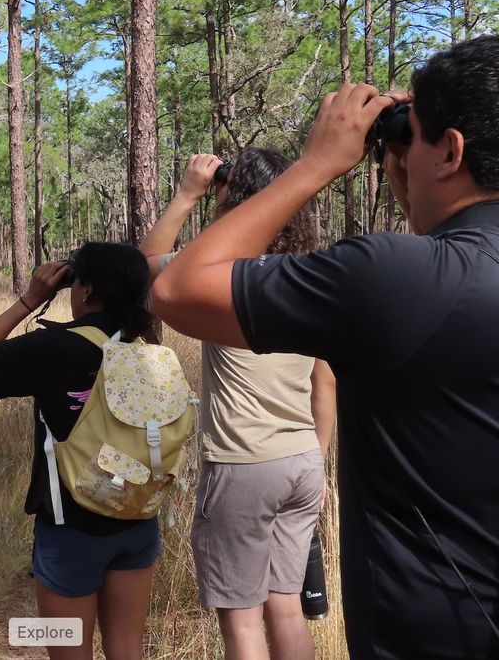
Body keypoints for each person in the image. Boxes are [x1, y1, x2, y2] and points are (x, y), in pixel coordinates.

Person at [151, 37, 499, 660]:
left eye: (411, 137)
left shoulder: (394, 276)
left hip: (427, 637)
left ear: (450, 150)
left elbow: (175, 288)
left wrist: (317, 163)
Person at [140, 150, 335, 660]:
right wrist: (319, 458)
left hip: (245, 463)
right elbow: (326, 383)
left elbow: (148, 269)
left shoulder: (222, 278)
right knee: (287, 609)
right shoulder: (309, 278)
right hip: (302, 462)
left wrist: (188, 194)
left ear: (237, 201)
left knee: (243, 625)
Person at [0, 243, 161, 660]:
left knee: (67, 648)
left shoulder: (55, 346)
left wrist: (30, 299)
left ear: (84, 291)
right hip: (138, 517)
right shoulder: (149, 352)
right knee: (128, 649)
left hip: (69, 527)